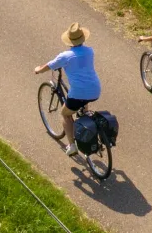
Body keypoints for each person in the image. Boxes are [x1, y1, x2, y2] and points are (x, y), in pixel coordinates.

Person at [33, 23, 101, 156]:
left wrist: (38, 70)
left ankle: (71, 145)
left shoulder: (65, 56)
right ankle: (85, 121)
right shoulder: (90, 51)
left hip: (79, 93)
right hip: (95, 89)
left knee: (65, 114)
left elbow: (50, 65)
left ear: (69, 41)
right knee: (83, 103)